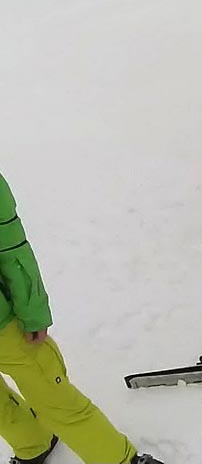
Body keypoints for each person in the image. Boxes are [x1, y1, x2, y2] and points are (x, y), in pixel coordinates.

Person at [0, 174, 162, 464]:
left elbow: (11, 249)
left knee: (53, 397)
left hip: (7, 327)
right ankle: (32, 443)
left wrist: (32, 312)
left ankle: (117, 460)